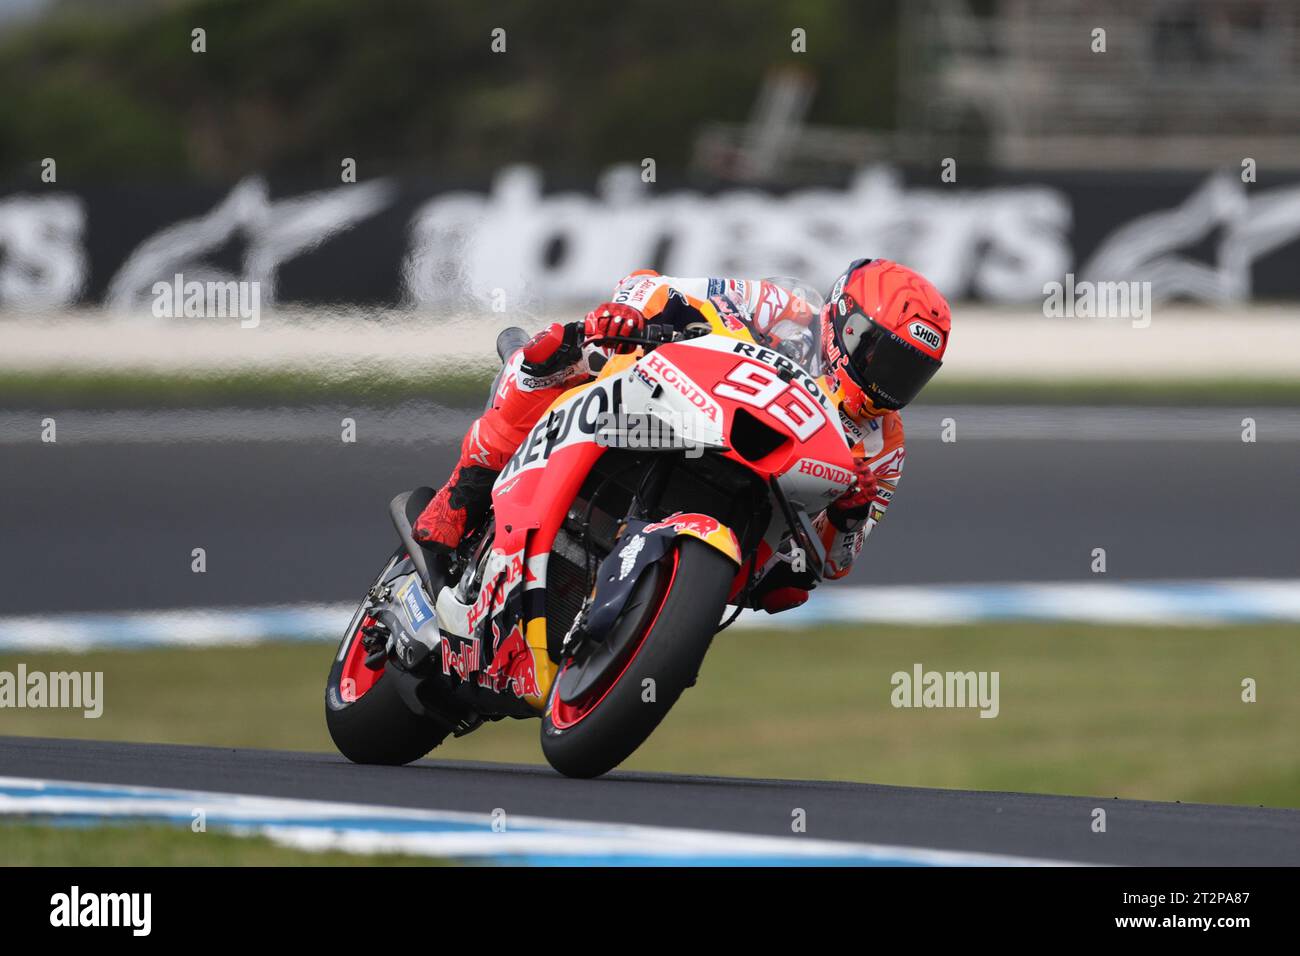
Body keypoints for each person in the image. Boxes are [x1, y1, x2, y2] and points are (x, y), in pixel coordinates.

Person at [413, 258, 951, 612]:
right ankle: (459, 498)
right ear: (848, 327)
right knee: (558, 351)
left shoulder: (886, 445)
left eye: (912, 373)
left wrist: (850, 513)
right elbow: (656, 287)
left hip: (750, 502)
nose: (892, 383)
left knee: (792, 584)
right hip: (675, 411)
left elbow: (836, 562)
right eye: (888, 359)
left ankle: (652, 615)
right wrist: (631, 315)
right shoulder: (784, 312)